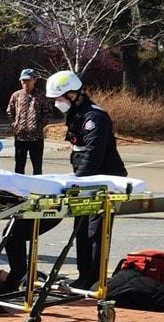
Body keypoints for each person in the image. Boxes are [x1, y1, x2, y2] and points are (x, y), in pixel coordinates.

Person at [46, 68, 126, 290]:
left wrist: (76, 182)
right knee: (81, 230)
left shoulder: (95, 118)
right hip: (86, 181)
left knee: (95, 232)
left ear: (72, 94)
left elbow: (92, 155)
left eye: (58, 98)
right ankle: (84, 276)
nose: (56, 103)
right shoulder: (76, 114)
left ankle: (94, 280)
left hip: (104, 182)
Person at [8, 67, 48, 175]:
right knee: (19, 167)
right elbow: (9, 111)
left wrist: (39, 126)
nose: (25, 83)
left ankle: (38, 188)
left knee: (37, 167)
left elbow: (48, 113)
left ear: (34, 80)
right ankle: (18, 190)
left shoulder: (41, 95)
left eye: (28, 80)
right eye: (23, 80)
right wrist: (14, 124)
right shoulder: (16, 95)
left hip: (36, 137)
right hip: (20, 137)